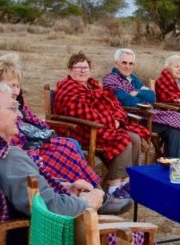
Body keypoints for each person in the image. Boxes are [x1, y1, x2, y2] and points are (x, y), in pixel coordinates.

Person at [0, 83, 171, 245]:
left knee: (108, 223)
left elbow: (28, 195)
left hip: (15, 235)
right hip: (32, 242)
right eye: (12, 108)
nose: (19, 114)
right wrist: (87, 202)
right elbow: (49, 208)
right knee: (119, 233)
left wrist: (65, 187)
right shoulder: (6, 156)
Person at [0, 53, 104, 188]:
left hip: (32, 140)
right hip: (18, 153)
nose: (16, 91)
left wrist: (42, 131)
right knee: (66, 148)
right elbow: (7, 144)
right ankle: (87, 191)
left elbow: (35, 121)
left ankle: (92, 189)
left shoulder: (16, 102)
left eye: (17, 86)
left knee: (67, 146)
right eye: (11, 86)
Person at [53, 51, 151, 197]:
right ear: (70, 70)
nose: (82, 71)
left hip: (104, 126)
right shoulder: (68, 88)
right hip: (82, 129)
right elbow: (83, 113)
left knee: (135, 138)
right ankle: (114, 186)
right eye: (78, 68)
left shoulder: (94, 87)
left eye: (85, 68)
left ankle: (127, 181)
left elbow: (115, 104)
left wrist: (117, 119)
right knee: (124, 139)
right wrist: (112, 122)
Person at [102, 48, 180, 157]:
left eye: (131, 63)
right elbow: (126, 100)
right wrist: (141, 98)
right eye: (124, 63)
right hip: (131, 118)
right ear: (116, 64)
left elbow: (151, 96)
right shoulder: (111, 79)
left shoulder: (133, 78)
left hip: (146, 115)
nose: (128, 66)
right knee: (178, 119)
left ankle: (175, 166)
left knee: (174, 131)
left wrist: (136, 92)